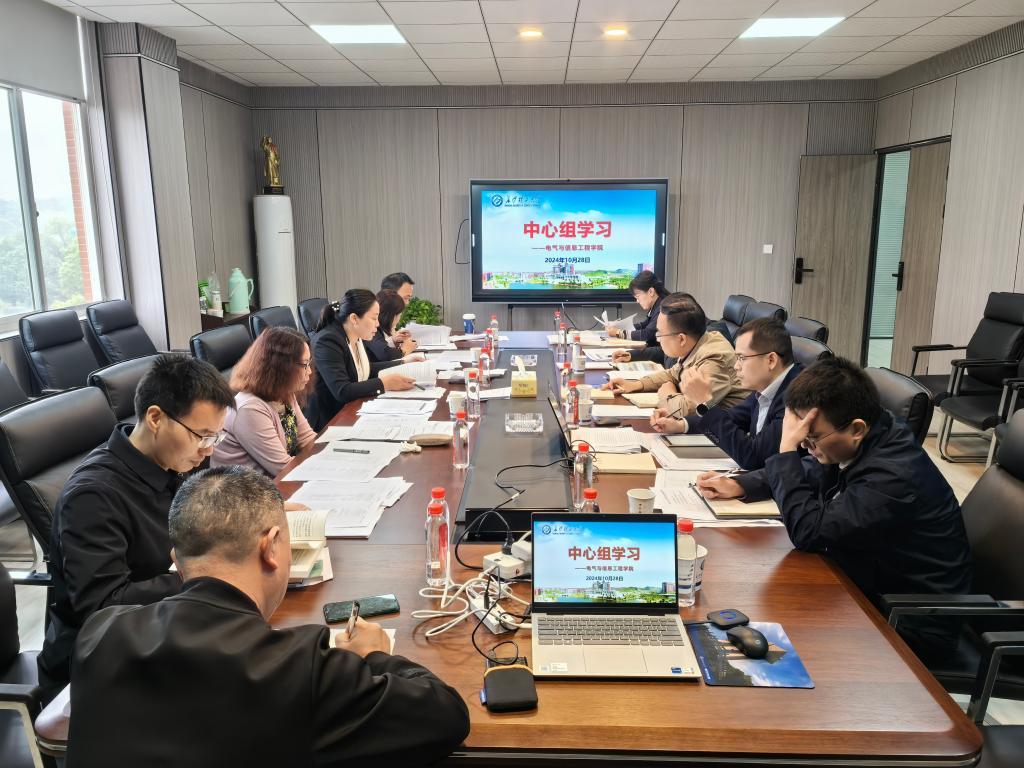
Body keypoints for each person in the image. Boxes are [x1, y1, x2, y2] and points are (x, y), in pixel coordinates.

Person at [67, 466, 471, 767]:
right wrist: (374, 656)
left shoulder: (99, 634)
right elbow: (446, 715)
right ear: (272, 547)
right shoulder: (303, 667)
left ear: (177, 559)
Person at [697, 357, 971, 662]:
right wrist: (742, 484)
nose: (805, 446)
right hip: (864, 582)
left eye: (811, 437)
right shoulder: (871, 434)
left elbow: (808, 532)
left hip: (908, 622)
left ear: (856, 428)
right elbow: (814, 468)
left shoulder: (894, 476)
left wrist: (786, 449)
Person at [38, 354, 234, 701]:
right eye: (201, 436)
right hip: (102, 666)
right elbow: (103, 606)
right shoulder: (92, 496)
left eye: (214, 438)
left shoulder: (176, 461)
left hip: (171, 625)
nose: (206, 451)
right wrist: (202, 575)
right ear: (155, 418)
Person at [651, 318, 804, 470]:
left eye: (742, 358)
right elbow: (733, 417)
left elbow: (753, 457)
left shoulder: (796, 399)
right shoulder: (767, 386)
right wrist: (681, 425)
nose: (736, 366)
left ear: (771, 360)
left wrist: (705, 402)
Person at [603, 293, 748, 418]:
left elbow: (690, 411)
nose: (658, 339)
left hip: (723, 434)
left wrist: (667, 394)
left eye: (660, 334)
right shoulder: (696, 344)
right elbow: (673, 374)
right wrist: (636, 384)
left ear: (681, 339)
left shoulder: (714, 359)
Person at [212, 326, 317, 477]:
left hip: (275, 480)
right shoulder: (249, 410)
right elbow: (284, 468)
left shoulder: (284, 392)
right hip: (244, 489)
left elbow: (307, 439)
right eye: (304, 365)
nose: (310, 371)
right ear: (281, 368)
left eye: (309, 363)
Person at [305, 289, 415, 431]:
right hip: (329, 421)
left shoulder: (353, 334)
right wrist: (384, 383)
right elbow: (342, 391)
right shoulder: (327, 341)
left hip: (352, 411)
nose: (378, 324)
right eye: (374, 318)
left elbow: (365, 368)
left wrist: (402, 363)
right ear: (354, 319)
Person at [605, 270, 668, 346]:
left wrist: (619, 332)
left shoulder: (663, 308)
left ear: (651, 291)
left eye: (638, 297)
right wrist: (619, 327)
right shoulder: (658, 304)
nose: (637, 301)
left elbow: (647, 334)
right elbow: (645, 325)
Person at [366, 288, 421, 364]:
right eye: (399, 314)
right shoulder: (372, 328)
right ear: (392, 316)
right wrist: (403, 350)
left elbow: (379, 348)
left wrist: (393, 340)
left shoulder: (378, 328)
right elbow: (384, 354)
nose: (399, 318)